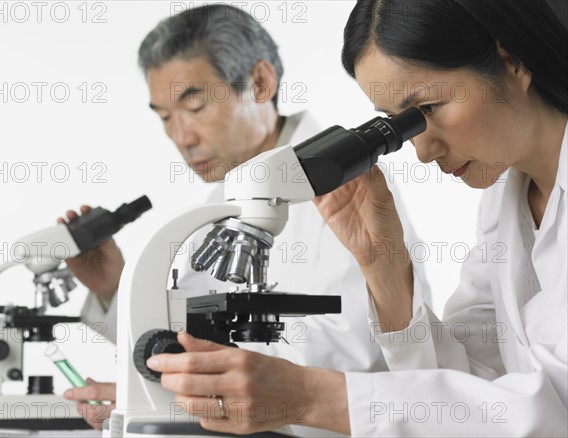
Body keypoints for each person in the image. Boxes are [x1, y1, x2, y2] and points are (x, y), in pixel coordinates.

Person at [144, 0, 568, 436]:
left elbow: (552, 409)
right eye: (399, 122)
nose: (422, 152)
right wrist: (385, 270)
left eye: (429, 107)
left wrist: (309, 395)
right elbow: (468, 384)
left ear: (513, 62)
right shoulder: (504, 203)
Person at [58, 4, 427, 430]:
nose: (182, 137)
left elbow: (358, 352)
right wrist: (114, 286)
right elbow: (177, 334)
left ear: (260, 83)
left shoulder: (343, 185)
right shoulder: (225, 199)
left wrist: (185, 388)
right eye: (164, 117)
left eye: (194, 106)